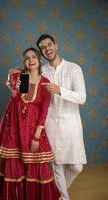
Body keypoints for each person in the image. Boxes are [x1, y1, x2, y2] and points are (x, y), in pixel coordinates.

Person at [0, 47, 62, 200]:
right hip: (16, 129)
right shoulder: (20, 78)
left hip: (33, 130)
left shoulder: (45, 83)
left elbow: (44, 111)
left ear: (39, 60)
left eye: (33, 57)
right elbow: (17, 102)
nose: (30, 60)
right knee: (15, 162)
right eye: (26, 58)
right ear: (24, 62)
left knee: (37, 165)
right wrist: (13, 88)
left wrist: (36, 136)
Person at [36, 34, 87, 200]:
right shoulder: (41, 70)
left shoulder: (74, 68)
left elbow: (81, 98)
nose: (47, 49)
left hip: (71, 123)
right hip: (51, 124)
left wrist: (59, 90)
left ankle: (56, 193)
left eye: (49, 45)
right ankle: (63, 198)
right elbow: (26, 90)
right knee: (58, 165)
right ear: (41, 52)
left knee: (77, 166)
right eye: (43, 48)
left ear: (56, 45)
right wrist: (12, 76)